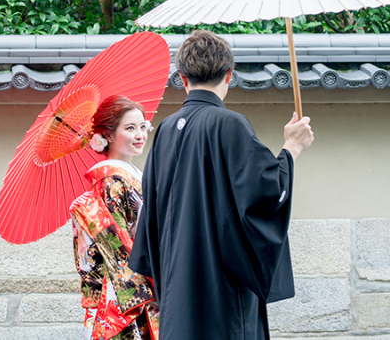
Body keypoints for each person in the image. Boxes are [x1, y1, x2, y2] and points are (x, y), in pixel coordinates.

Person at [129, 30, 315, 340]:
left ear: (182, 78)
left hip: (177, 291)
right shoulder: (230, 124)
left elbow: (151, 216)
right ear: (229, 74)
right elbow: (266, 194)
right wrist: (291, 148)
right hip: (221, 292)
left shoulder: (163, 131)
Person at [70, 95, 160, 340]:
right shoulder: (111, 180)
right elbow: (120, 245)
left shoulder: (131, 176)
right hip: (124, 291)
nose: (140, 135)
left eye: (143, 126)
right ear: (107, 135)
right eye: (130, 128)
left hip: (137, 280)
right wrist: (154, 289)